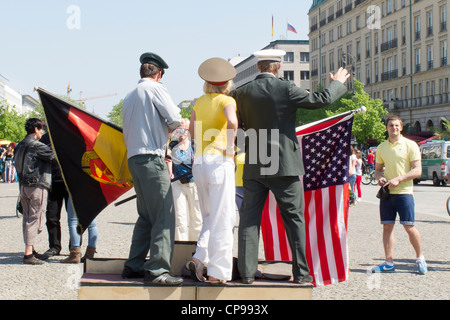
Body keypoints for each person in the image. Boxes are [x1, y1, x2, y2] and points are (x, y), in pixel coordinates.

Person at [233, 49, 349, 284]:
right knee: (294, 219)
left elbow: (239, 125)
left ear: (258, 67)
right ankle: (301, 274)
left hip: (254, 160)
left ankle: (246, 274)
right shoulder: (285, 88)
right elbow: (320, 100)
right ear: (279, 67)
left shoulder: (241, 92)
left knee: (249, 220)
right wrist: (336, 84)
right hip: (283, 162)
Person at [121, 52, 183, 285]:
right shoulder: (156, 89)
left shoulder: (129, 95)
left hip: (135, 159)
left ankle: (134, 264)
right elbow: (175, 117)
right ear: (159, 74)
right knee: (164, 216)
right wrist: (173, 128)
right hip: (151, 158)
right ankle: (158, 270)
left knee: (146, 216)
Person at [187, 57, 238, 284]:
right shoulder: (227, 100)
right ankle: (218, 272)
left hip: (199, 163)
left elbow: (190, 131)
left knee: (208, 217)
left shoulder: (199, 101)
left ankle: (199, 258)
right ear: (227, 83)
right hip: (219, 162)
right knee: (223, 218)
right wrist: (229, 148)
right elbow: (233, 122)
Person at [373, 115, 427, 274]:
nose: (394, 128)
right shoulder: (382, 147)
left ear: (401, 127)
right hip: (387, 193)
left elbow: (418, 170)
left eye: (397, 125)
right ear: (386, 128)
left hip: (404, 192)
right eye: (391, 125)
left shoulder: (411, 145)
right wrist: (379, 178)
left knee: (409, 226)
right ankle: (389, 262)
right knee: (387, 226)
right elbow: (377, 169)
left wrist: (399, 179)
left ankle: (420, 257)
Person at [14, 118, 55, 265]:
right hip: (37, 185)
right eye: (41, 128)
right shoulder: (37, 146)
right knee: (34, 219)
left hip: (23, 187)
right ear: (36, 129)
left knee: (27, 219)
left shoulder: (19, 146)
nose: (42, 131)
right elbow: (53, 156)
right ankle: (28, 254)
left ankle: (30, 249)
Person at [169, 127, 202, 241]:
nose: (182, 132)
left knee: (197, 218)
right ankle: (180, 248)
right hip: (178, 184)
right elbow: (167, 159)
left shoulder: (195, 146)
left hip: (194, 184)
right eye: (179, 129)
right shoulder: (173, 146)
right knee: (180, 218)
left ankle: (195, 249)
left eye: (185, 129)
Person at [39, 133, 66, 259]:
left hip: (71, 183)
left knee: (75, 219)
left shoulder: (70, 133)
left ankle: (75, 248)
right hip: (53, 182)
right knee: (51, 216)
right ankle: (55, 246)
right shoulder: (45, 138)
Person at [60, 196, 98, 263]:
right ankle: (90, 254)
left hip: (77, 191)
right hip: (93, 193)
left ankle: (75, 254)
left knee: (73, 222)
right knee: (92, 224)